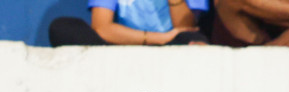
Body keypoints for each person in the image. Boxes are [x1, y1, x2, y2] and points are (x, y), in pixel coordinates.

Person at [47, 0, 210, 45]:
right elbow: (102, 27)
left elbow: (185, 28)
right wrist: (159, 38)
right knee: (62, 28)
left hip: (171, 45)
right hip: (122, 44)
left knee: (193, 41)